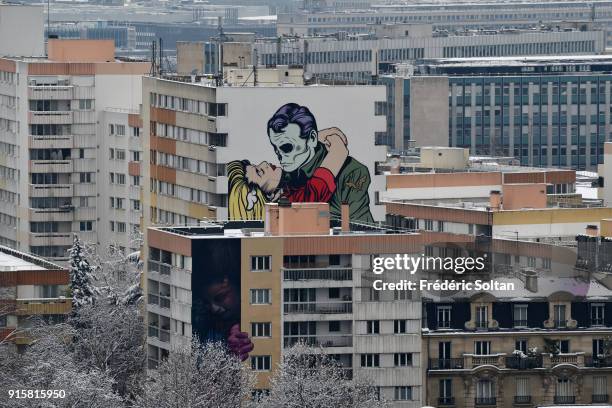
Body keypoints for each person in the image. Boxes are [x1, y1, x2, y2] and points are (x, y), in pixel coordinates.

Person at [267, 103, 374, 223]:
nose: (280, 156)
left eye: (286, 147)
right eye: (275, 148)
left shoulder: (351, 171)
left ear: (312, 138)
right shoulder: (287, 175)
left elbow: (359, 230)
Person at [227, 128, 348, 220]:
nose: (264, 163)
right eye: (260, 172)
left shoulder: (286, 184)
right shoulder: (295, 204)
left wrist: (318, 137)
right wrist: (334, 139)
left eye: (256, 165)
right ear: (262, 197)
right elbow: (339, 152)